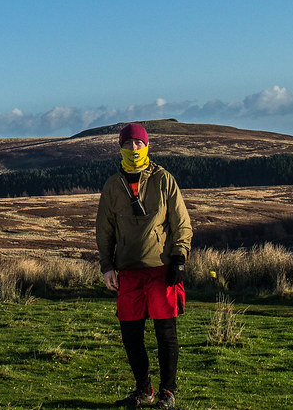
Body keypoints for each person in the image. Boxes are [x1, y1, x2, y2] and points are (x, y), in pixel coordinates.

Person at [95, 123, 193, 408]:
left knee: (166, 333)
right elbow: (104, 230)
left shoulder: (164, 180)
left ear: (147, 146)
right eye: (128, 144)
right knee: (131, 335)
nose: (134, 149)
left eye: (139, 143)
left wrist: (179, 258)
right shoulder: (113, 186)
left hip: (161, 270)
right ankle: (143, 390)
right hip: (127, 271)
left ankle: (167, 392)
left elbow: (181, 223)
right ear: (120, 147)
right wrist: (107, 266)